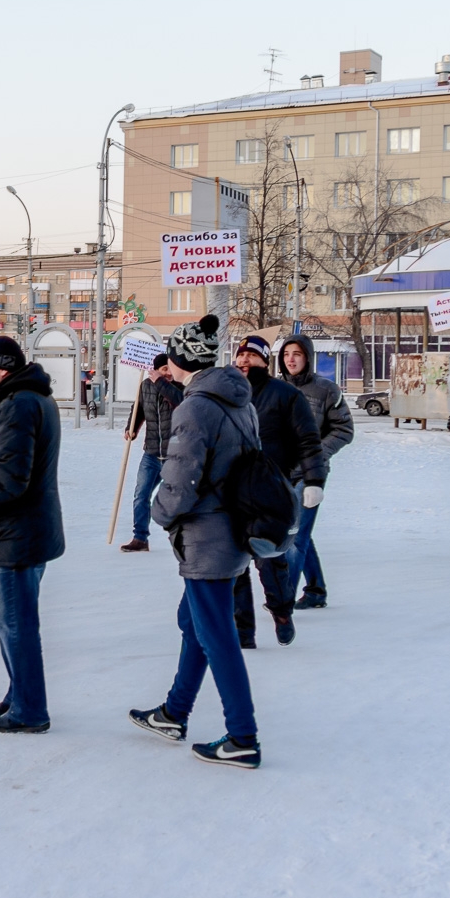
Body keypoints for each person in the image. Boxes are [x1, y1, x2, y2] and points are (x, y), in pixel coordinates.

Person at [131, 314, 262, 768]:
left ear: (180, 359)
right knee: (195, 622)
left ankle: (243, 736)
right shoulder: (237, 399)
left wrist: (159, 513)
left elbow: (181, 478)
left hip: (209, 535)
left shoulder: (195, 407)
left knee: (217, 636)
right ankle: (174, 712)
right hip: (232, 528)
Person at [0, 335, 63, 734]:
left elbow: (9, 477)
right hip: (21, 529)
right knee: (9, 619)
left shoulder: (19, 405)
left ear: (0, 367)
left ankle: (30, 709)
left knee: (16, 622)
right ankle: (19, 693)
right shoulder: (21, 398)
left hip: (16, 532)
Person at [231, 334, 325, 647]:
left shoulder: (285, 395)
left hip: (270, 492)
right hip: (231, 491)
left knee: (270, 560)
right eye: (240, 355)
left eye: (251, 355)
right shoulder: (227, 394)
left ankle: (282, 612)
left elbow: (308, 441)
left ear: (264, 360)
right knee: (234, 564)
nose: (244, 360)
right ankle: (243, 631)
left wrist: (314, 480)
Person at [279, 335, 354, 609]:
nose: (291, 359)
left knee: (296, 535)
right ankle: (316, 590)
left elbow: (344, 429)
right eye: (286, 354)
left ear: (308, 357)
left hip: (311, 474)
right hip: (281, 472)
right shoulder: (275, 388)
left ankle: (283, 598)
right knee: (299, 532)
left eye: (297, 354)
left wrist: (317, 453)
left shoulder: (326, 390)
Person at [120, 353, 184, 553]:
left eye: (170, 369)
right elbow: (138, 408)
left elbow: (180, 402)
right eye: (164, 369)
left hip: (175, 455)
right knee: (141, 495)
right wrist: (131, 428)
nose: (169, 373)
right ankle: (140, 538)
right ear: (156, 370)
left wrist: (161, 382)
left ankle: (184, 539)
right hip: (152, 453)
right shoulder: (145, 386)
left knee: (177, 499)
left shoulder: (180, 387)